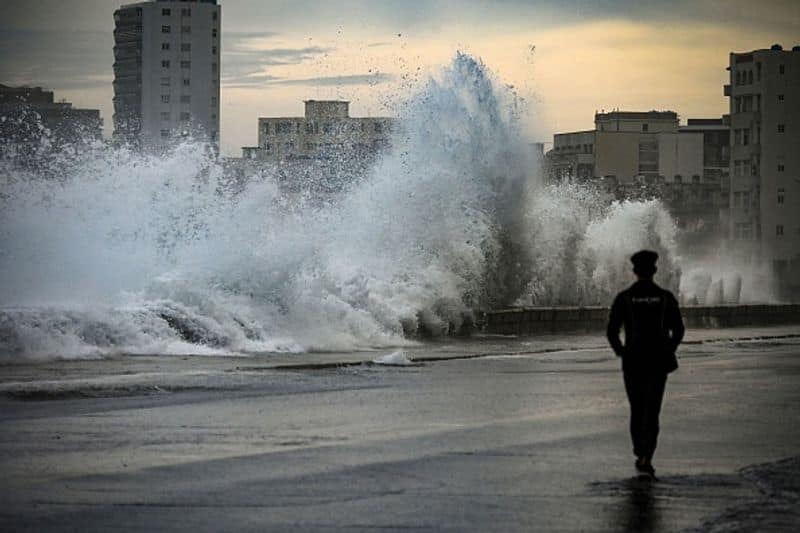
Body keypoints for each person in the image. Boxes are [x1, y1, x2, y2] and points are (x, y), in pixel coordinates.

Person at [606, 250, 684, 479]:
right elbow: (678, 329)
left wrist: (622, 352)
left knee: (637, 407)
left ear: (635, 271)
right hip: (658, 362)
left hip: (633, 362)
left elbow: (612, 331)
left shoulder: (624, 298)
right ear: (655, 271)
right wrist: (669, 348)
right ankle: (647, 454)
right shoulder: (665, 298)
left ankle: (640, 449)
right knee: (653, 409)